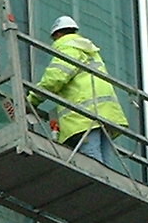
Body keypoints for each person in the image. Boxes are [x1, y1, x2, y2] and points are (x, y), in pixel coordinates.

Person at [29, 16, 129, 168]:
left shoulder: (67, 47)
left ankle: (97, 190)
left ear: (57, 35)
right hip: (106, 114)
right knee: (107, 167)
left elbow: (54, 79)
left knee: (92, 161)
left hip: (84, 116)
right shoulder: (90, 51)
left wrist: (32, 100)